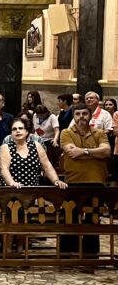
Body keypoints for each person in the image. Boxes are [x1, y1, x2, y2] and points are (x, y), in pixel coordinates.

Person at [59, 104, 111, 257]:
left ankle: (90, 252)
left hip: (96, 181)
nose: (81, 117)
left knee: (93, 217)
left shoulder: (99, 133)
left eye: (84, 114)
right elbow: (70, 152)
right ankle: (68, 251)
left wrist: (84, 151)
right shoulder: (66, 133)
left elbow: (106, 151)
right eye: (78, 114)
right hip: (73, 181)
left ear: (90, 116)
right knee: (71, 216)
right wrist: (95, 153)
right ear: (74, 116)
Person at [0, 118, 65, 189]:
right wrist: (12, 183)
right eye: (14, 129)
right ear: (11, 133)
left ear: (27, 131)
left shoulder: (36, 145)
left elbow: (47, 166)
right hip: (11, 190)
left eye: (20, 128)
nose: (17, 131)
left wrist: (56, 180)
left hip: (32, 190)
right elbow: (4, 169)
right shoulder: (6, 147)